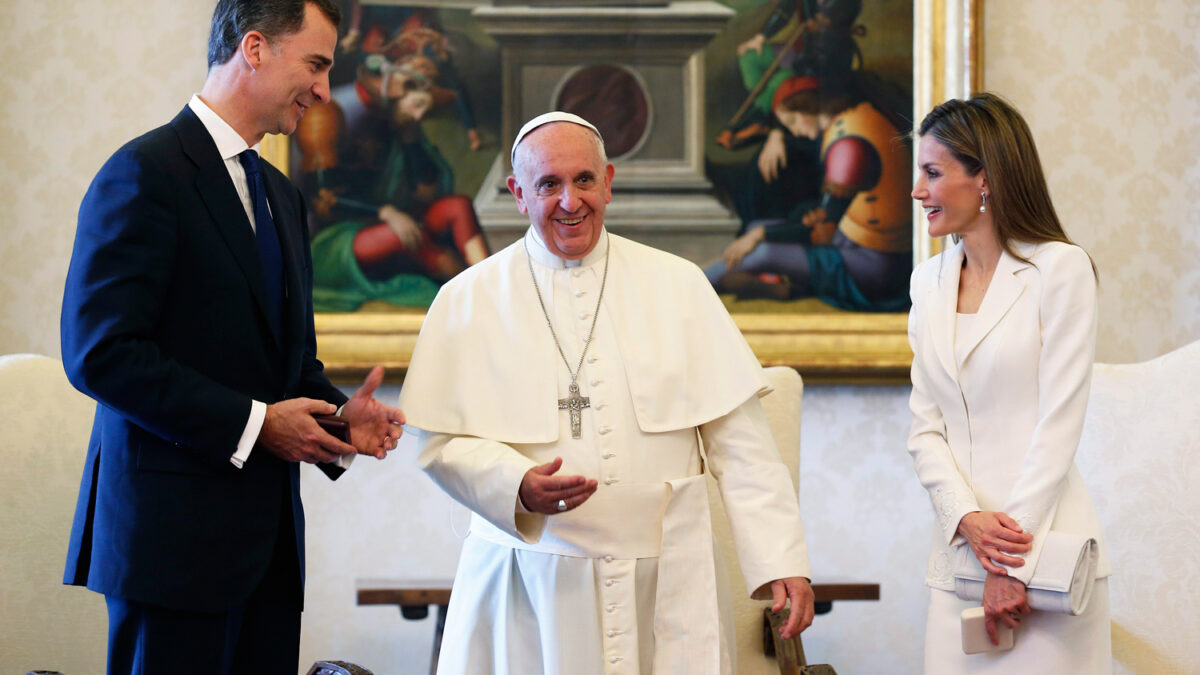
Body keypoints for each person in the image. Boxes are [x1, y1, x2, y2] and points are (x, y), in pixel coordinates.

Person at [399, 112, 815, 674]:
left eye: (584, 180)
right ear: (519, 194)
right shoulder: (465, 299)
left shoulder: (679, 285)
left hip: (670, 573)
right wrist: (514, 483)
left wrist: (781, 559)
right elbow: (438, 443)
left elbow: (741, 443)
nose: (571, 201)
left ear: (608, 181)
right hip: (533, 576)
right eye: (549, 185)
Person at [59, 1, 406, 672]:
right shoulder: (145, 172)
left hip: (270, 556)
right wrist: (256, 425)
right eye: (315, 64)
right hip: (170, 549)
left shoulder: (281, 192)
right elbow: (99, 352)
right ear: (254, 48)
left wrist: (340, 422)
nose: (321, 88)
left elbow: (286, 367)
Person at [906, 92, 1111, 673]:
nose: (918, 192)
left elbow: (1060, 424)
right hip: (958, 564)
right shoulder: (927, 283)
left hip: (1047, 562)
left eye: (932, 173)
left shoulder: (1060, 270)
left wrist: (1008, 564)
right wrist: (965, 520)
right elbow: (924, 430)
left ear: (986, 178)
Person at [707, 78, 912, 311]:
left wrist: (758, 236)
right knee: (758, 225)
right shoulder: (854, 117)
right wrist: (759, 231)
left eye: (794, 121)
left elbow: (822, 226)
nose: (794, 130)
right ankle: (783, 286)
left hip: (877, 265)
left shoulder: (848, 146)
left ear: (810, 105)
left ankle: (697, 285)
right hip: (854, 239)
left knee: (763, 248)